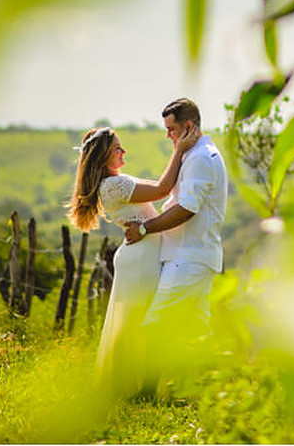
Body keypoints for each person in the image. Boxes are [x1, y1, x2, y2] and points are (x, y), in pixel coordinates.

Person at [67, 123, 199, 393]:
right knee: (140, 320)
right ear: (104, 156)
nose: (123, 151)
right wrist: (180, 150)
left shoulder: (117, 181)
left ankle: (141, 387)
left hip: (143, 252)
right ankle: (135, 388)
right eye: (117, 147)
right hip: (140, 257)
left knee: (142, 317)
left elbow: (165, 187)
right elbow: (163, 189)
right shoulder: (114, 185)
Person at [124, 98, 228, 377]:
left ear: (188, 126)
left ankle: (146, 396)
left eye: (171, 129)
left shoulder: (201, 159)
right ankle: (214, 390)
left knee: (156, 325)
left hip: (189, 257)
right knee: (197, 331)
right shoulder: (193, 155)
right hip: (190, 255)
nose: (168, 135)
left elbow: (187, 209)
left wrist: (145, 228)